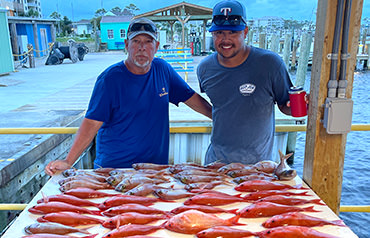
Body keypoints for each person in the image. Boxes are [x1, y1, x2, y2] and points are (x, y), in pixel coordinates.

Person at [46, 18, 212, 176]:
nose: (142, 48)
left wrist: (218, 117)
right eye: (136, 41)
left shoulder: (163, 70)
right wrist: (68, 161)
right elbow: (91, 122)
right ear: (126, 45)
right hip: (114, 171)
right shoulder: (110, 79)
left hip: (154, 171)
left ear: (157, 46)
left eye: (148, 42)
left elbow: (191, 98)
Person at [197, 0, 294, 165]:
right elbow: (222, 107)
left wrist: (302, 107)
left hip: (259, 166)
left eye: (233, 32)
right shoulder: (204, 69)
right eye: (219, 32)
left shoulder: (270, 63)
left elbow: (286, 106)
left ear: (245, 31)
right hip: (215, 164)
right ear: (212, 34)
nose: (225, 39)